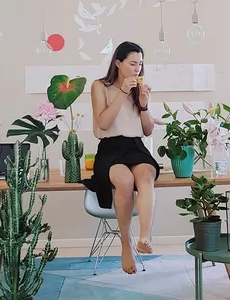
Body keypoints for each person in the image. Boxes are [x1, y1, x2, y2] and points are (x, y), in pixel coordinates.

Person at [82, 41, 160, 275]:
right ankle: (125, 244)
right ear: (118, 63)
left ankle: (145, 237)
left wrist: (144, 106)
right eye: (132, 63)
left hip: (135, 145)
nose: (137, 68)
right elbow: (103, 123)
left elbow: (147, 131)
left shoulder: (139, 88)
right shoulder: (100, 86)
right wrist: (123, 92)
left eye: (140, 64)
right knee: (125, 182)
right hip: (110, 147)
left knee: (146, 175)